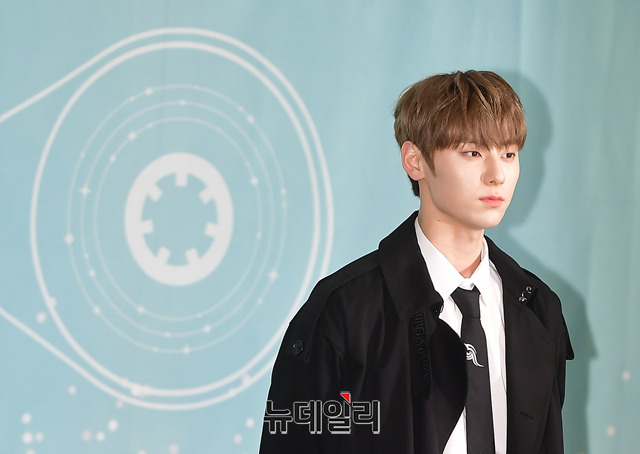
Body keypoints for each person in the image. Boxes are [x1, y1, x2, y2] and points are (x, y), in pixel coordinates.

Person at [259, 70, 573, 454]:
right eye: (473, 152)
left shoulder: (538, 308)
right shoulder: (345, 310)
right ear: (415, 160)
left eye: (508, 154)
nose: (497, 175)